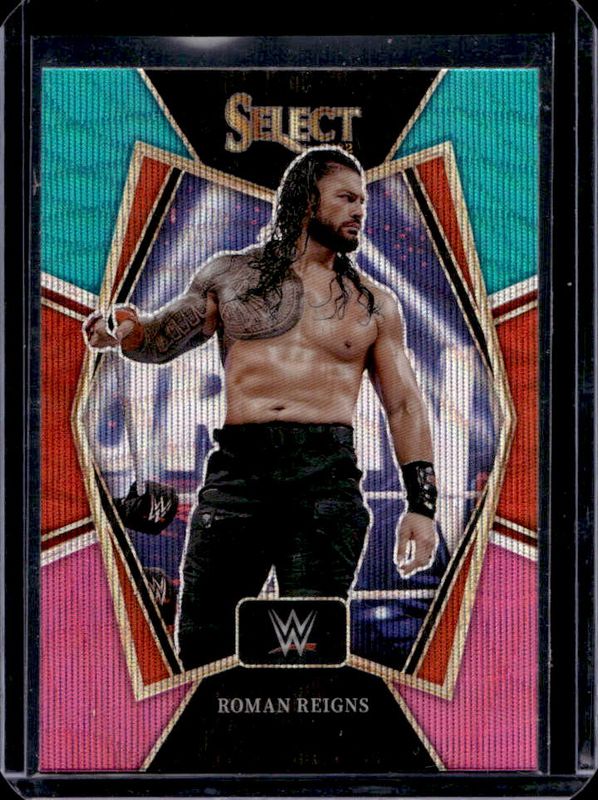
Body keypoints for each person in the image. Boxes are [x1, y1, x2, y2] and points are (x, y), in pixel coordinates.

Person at [84, 146, 438, 669]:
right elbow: (160, 338)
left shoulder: (373, 303)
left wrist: (422, 507)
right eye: (345, 198)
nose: (359, 210)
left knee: (307, 654)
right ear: (306, 200)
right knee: (204, 648)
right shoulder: (229, 276)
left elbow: (405, 405)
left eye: (362, 201)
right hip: (239, 475)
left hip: (324, 480)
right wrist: (125, 331)